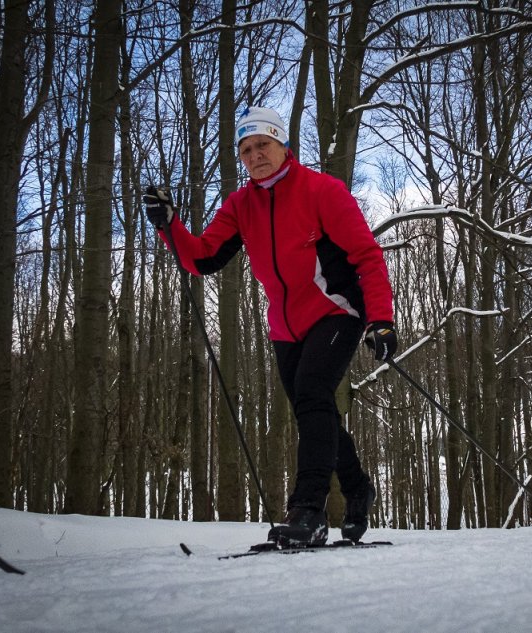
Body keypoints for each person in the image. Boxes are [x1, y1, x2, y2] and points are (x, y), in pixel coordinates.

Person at [144, 106, 396, 547]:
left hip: (337, 309)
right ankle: (358, 488)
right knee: (313, 410)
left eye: (263, 144)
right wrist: (170, 226)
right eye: (246, 150)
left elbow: (367, 257)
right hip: (285, 326)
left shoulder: (322, 190)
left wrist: (381, 319)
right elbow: (202, 258)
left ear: (283, 145)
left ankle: (308, 511)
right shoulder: (241, 205)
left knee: (314, 394)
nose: (255, 155)